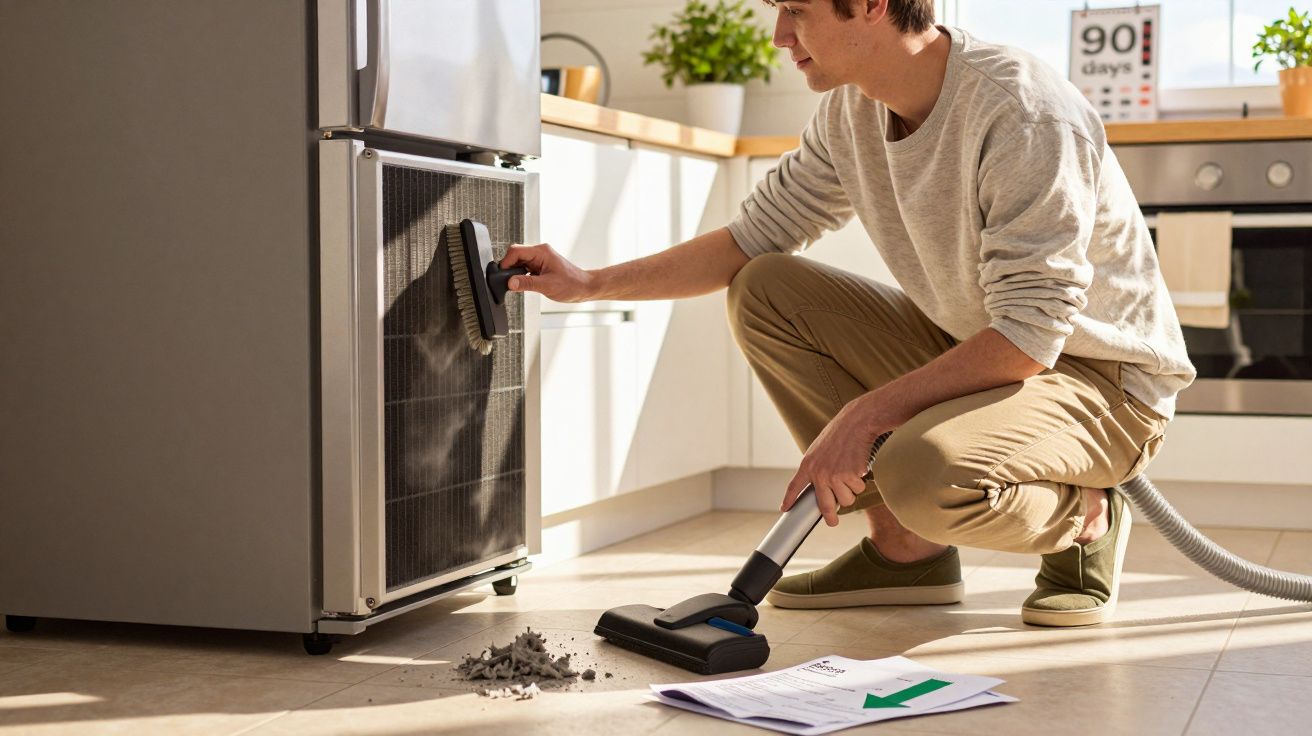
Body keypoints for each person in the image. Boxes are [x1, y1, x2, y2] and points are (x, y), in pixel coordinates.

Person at [499, 0, 1195, 627]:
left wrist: (863, 417)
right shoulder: (851, 111)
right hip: (985, 348)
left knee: (922, 470)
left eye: (797, 11)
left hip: (1100, 385)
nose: (778, 36)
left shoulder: (1022, 112)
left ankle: (1085, 518)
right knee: (766, 287)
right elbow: (750, 240)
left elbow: (1030, 333)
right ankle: (906, 551)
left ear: (870, 5)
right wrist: (588, 283)